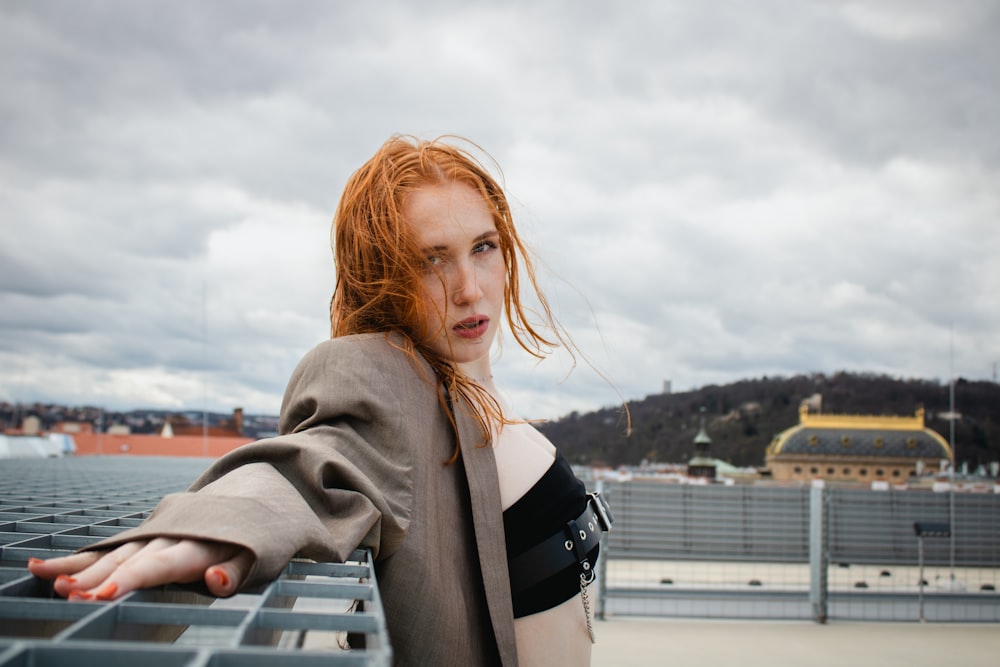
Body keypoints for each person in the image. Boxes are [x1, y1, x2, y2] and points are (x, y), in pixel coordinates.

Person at [28, 135, 616, 666]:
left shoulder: (468, 398)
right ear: (379, 279)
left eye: (482, 247)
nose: (468, 287)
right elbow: (321, 457)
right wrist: (225, 523)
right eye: (430, 259)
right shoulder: (393, 386)